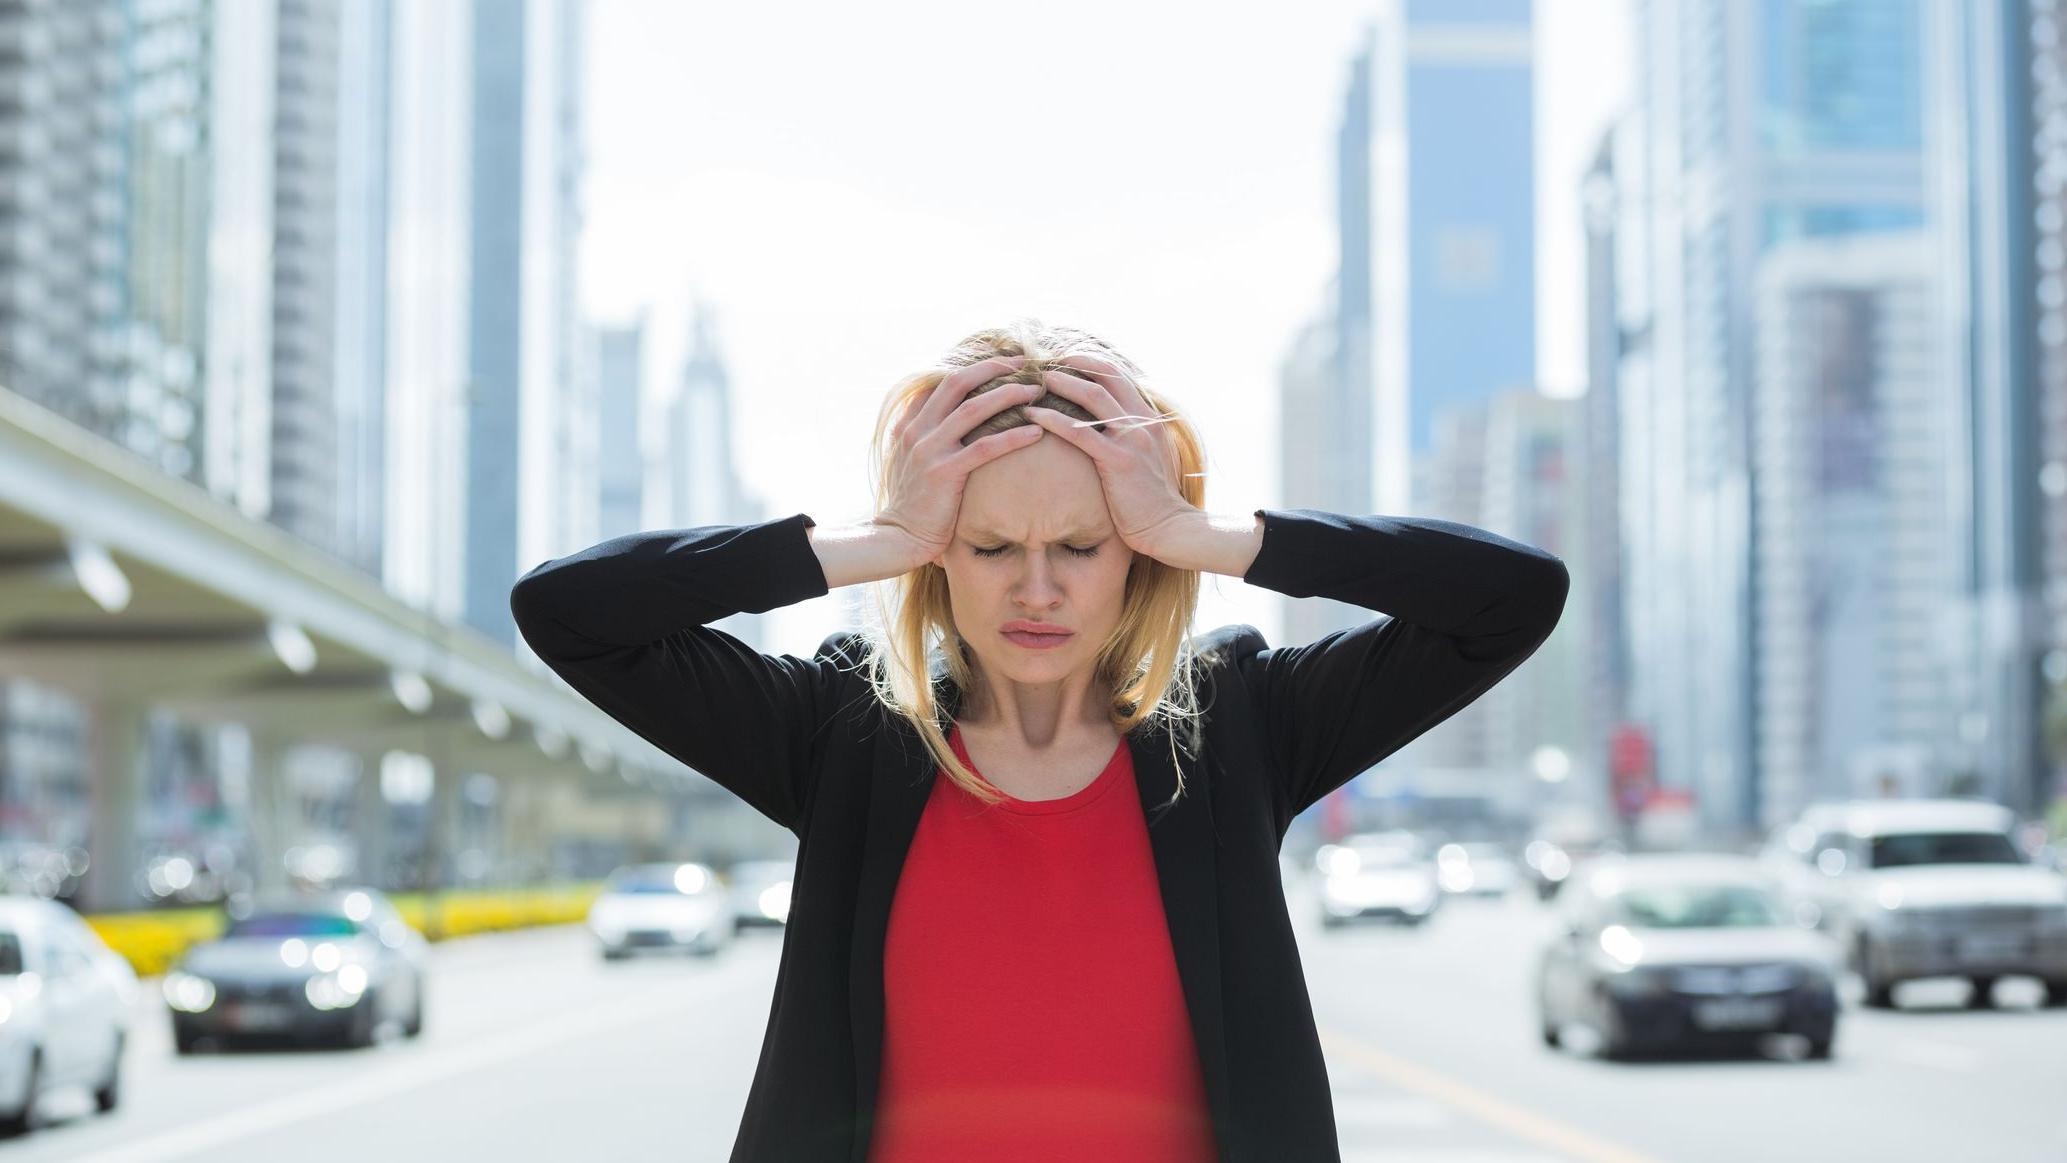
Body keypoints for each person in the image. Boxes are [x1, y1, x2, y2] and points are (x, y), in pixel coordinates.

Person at [508, 319, 1570, 1162]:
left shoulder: (1241, 724)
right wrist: (866, 543)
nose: (1037, 587)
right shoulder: (844, 736)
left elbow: (1513, 597)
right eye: (987, 544)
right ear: (938, 557)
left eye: (1081, 543)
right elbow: (570, 612)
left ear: (1136, 556)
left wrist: (1208, 535)